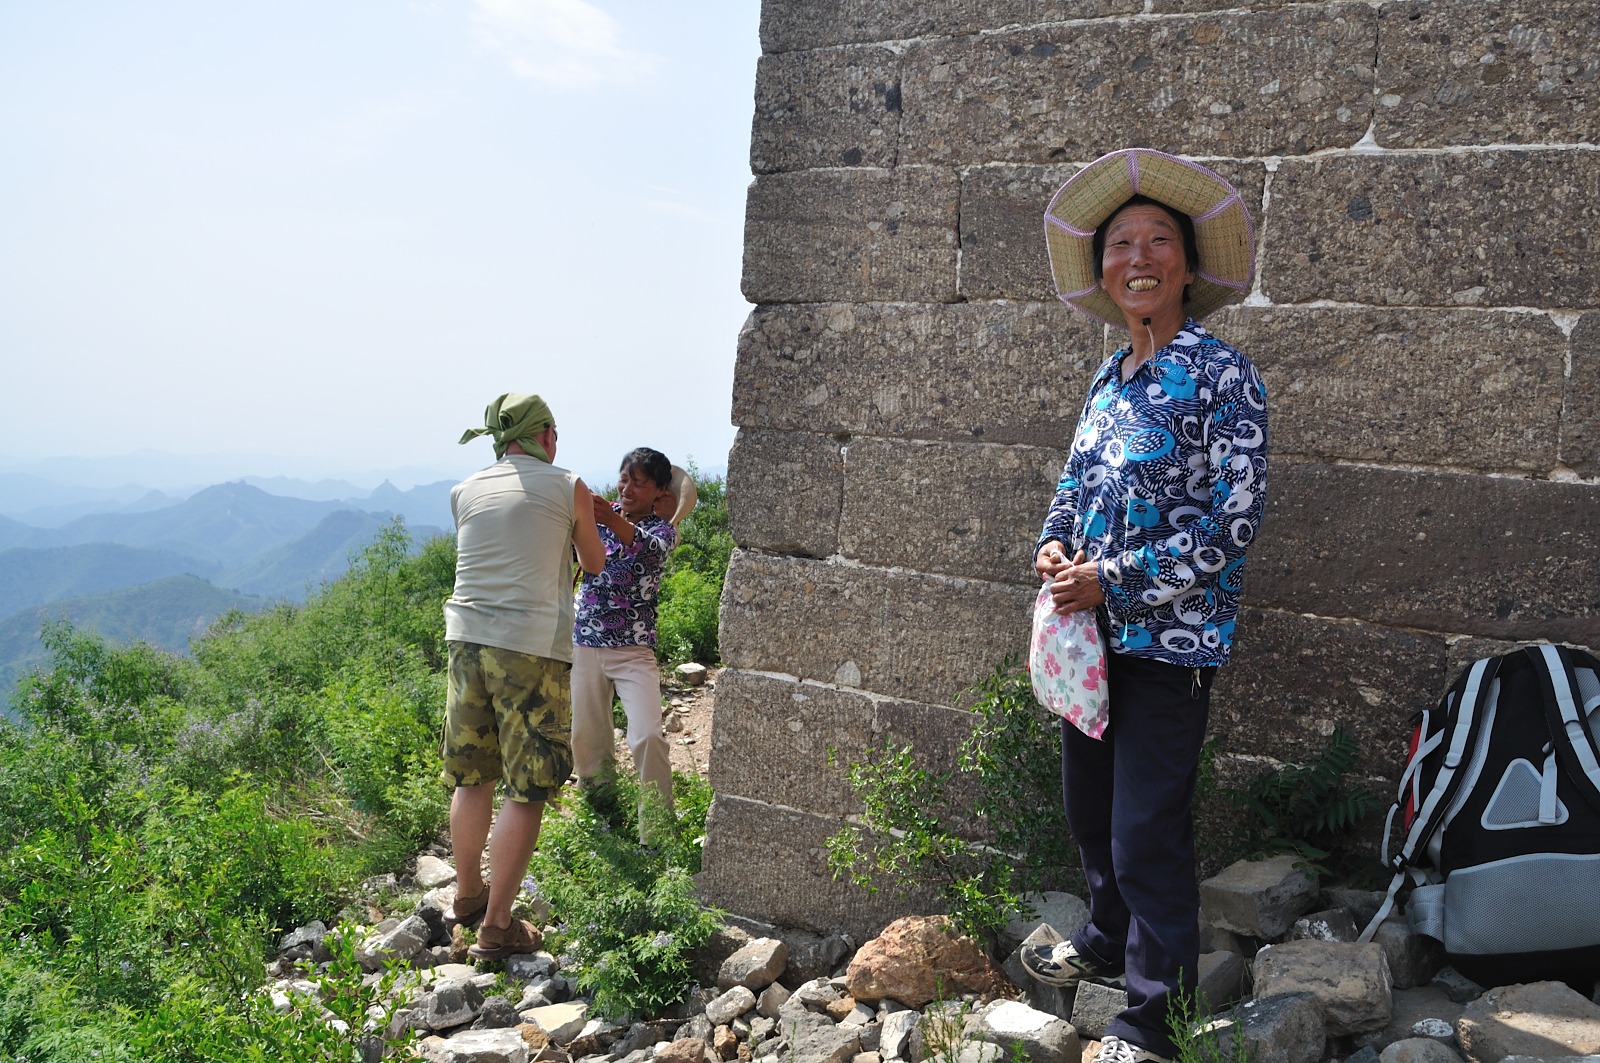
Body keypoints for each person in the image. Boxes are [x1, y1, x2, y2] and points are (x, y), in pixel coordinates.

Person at [1019, 148, 1270, 1063]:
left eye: (1159, 240)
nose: (1138, 257)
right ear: (1104, 272)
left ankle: (1154, 1020)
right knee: (1090, 812)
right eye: (1120, 243)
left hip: (1172, 645)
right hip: (1088, 641)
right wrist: (1054, 544)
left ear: (1188, 266)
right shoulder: (1108, 379)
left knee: (1144, 832)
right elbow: (1073, 486)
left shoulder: (1224, 375)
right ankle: (1103, 936)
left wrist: (1114, 579)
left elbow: (1232, 523)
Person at [441, 392, 605, 960]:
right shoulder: (568, 485)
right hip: (530, 648)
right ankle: (497, 927)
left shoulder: (465, 489)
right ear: (544, 434)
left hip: (465, 641)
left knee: (473, 778)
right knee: (527, 788)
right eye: (555, 431)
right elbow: (594, 563)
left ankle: (467, 896)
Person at [570, 448, 695, 829]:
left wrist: (607, 518)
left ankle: (656, 830)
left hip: (633, 649)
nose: (626, 489)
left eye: (639, 483)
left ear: (659, 491)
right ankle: (602, 818)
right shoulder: (601, 517)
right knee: (587, 740)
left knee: (647, 736)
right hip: (585, 641)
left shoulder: (663, 531)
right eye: (624, 479)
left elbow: (649, 551)